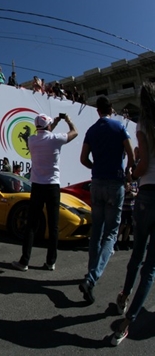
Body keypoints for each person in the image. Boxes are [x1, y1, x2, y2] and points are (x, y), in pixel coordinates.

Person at [78, 96, 135, 303]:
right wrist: (128, 169)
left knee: (97, 231)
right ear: (110, 108)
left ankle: (90, 273)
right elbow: (131, 154)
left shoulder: (91, 131)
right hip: (115, 183)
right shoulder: (119, 127)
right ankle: (92, 278)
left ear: (97, 111)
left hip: (97, 183)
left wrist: (96, 167)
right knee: (111, 233)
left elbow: (83, 159)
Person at [111, 82, 155, 346]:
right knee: (151, 269)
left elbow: (144, 165)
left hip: (148, 195)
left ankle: (124, 295)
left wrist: (132, 173)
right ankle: (126, 324)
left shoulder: (142, 127)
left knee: (137, 252)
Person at [11, 113, 78, 272]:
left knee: (31, 225)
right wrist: (67, 120)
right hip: (52, 187)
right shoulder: (55, 139)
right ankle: (50, 262)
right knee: (53, 226)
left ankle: (24, 261)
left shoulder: (32, 140)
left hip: (37, 186)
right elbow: (75, 132)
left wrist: (52, 122)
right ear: (48, 126)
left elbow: (45, 131)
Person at [114, 180, 137, 251]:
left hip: (131, 207)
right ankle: (115, 241)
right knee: (122, 224)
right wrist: (127, 191)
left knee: (129, 225)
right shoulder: (123, 182)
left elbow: (137, 192)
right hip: (123, 207)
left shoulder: (134, 183)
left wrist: (134, 194)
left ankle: (124, 241)